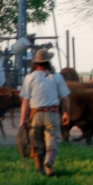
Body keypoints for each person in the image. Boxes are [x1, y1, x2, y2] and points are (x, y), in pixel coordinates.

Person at [19, 48, 71, 176]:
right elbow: (65, 98)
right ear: (48, 62)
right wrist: (66, 113)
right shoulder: (57, 77)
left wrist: (22, 120)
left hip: (35, 115)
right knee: (53, 140)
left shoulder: (29, 78)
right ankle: (49, 161)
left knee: (37, 143)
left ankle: (40, 169)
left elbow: (25, 101)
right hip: (52, 113)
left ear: (36, 63)